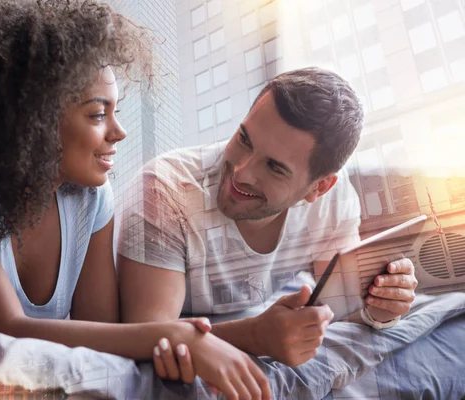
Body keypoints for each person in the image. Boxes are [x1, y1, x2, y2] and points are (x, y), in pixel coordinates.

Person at [0, 1, 271, 398]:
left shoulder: (91, 199)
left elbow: (101, 338)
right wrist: (177, 335)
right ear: (32, 116)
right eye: (97, 115)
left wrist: (183, 340)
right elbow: (6, 330)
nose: (119, 132)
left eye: (115, 111)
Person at [117, 67, 419, 372]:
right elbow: (147, 340)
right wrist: (253, 336)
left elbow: (340, 307)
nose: (241, 172)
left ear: (319, 187)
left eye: (274, 167)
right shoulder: (166, 190)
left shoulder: (334, 201)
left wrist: (381, 307)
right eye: (244, 139)